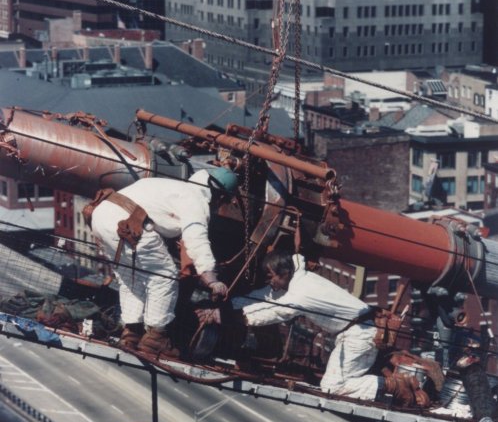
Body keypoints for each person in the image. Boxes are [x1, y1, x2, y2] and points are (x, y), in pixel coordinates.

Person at [226, 250, 429, 407]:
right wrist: (233, 304)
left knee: (332, 388)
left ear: (285, 273)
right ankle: (396, 383)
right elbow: (269, 296)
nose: (270, 282)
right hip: (356, 331)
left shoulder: (301, 294)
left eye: (271, 277)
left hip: (359, 336)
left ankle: (395, 384)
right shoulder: (298, 279)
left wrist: (239, 318)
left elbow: (278, 311)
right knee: (336, 383)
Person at [84, 166, 238, 358]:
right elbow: (196, 237)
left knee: (130, 277)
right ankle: (156, 338)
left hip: (101, 216)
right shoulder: (195, 199)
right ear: (220, 195)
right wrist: (210, 276)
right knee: (164, 276)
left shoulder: (171, 186)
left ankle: (131, 332)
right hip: (128, 222)